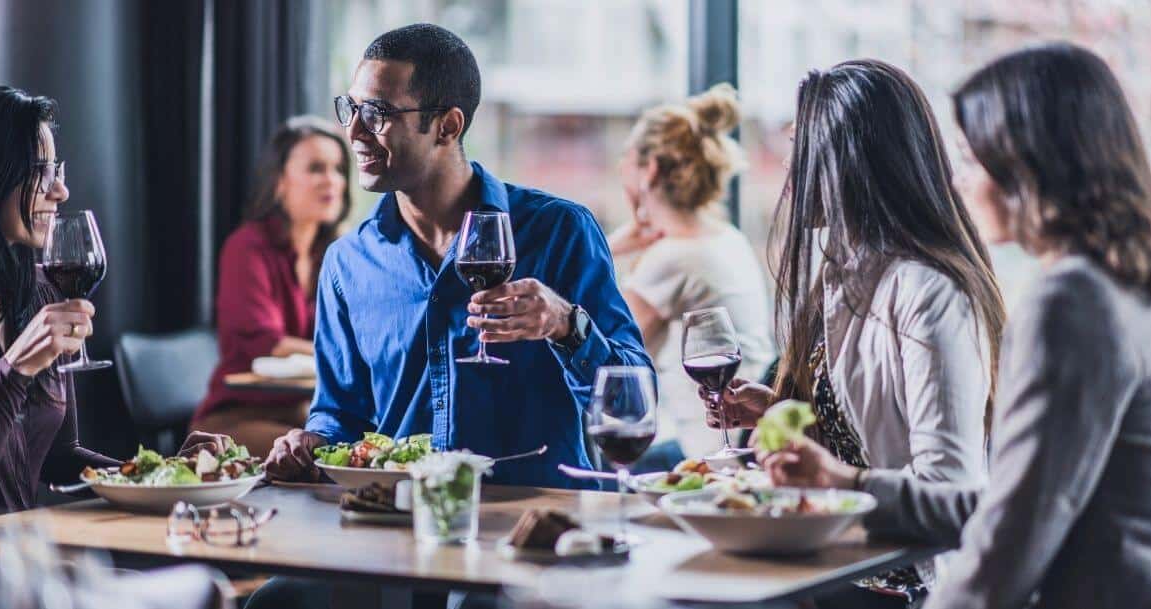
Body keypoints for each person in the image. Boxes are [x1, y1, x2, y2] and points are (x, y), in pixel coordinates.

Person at [763, 43, 1151, 609]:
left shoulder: (1072, 303)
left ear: (1027, 167)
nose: (958, 180)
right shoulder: (1137, 287)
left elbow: (1010, 538)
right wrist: (847, 482)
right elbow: (1008, 506)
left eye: (973, 158)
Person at [263, 23, 651, 488]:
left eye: (377, 113)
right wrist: (311, 441)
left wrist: (567, 325)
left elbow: (634, 405)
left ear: (447, 126)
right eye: (351, 108)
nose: (354, 131)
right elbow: (341, 415)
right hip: (402, 515)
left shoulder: (558, 231)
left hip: (540, 516)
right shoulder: (348, 262)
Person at [704, 60, 1006, 606]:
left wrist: (837, 480)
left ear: (849, 162)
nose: (788, 169)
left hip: (903, 586)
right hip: (838, 565)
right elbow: (867, 437)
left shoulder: (927, 291)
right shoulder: (843, 274)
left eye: (799, 148)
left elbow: (951, 491)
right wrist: (778, 410)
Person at [0, 86, 120, 517]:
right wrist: (15, 369)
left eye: (56, 169)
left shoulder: (39, 292)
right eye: (39, 172)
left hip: (24, 550)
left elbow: (59, 456)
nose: (60, 190)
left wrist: (164, 475)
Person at [609, 83, 773, 467]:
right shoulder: (726, 236)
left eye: (626, 157)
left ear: (649, 169)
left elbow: (611, 361)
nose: (620, 167)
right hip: (750, 437)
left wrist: (606, 247)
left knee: (605, 467)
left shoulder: (671, 258)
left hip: (713, 448)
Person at [192, 117, 352, 458]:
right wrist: (345, 357)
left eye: (338, 169)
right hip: (235, 418)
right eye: (316, 168)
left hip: (301, 411)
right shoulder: (247, 247)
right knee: (332, 454)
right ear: (279, 182)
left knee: (370, 441)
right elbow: (269, 345)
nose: (332, 180)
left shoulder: (334, 254)